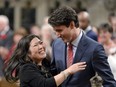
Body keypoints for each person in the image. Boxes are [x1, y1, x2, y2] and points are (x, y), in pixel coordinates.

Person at [48, 6, 116, 87]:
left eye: (59, 30)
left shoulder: (94, 48)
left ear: (72, 25)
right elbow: (52, 75)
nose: (57, 35)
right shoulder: (56, 44)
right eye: (55, 31)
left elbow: (109, 83)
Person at [4, 34, 86, 87]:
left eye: (41, 43)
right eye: (35, 45)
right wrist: (68, 71)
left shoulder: (46, 65)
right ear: (27, 53)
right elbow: (45, 85)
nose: (41, 47)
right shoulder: (26, 68)